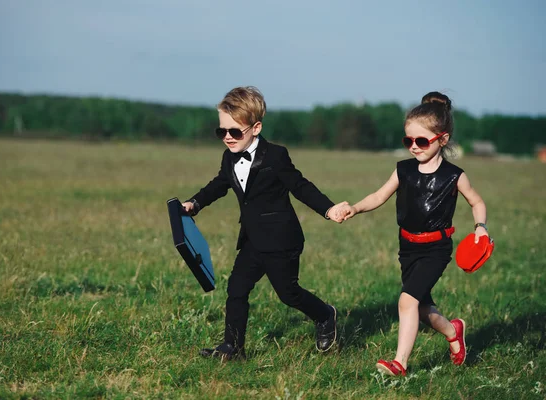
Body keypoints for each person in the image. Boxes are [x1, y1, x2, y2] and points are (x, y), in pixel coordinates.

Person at [182, 86, 346, 360]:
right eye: (221, 131)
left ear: (255, 128)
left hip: (282, 240)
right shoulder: (229, 156)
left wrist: (328, 209)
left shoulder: (276, 156)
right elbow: (220, 184)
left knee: (288, 293)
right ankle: (232, 348)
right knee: (236, 289)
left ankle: (325, 314)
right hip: (252, 241)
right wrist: (195, 203)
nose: (227, 137)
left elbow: (300, 186)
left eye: (234, 131)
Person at [336, 92, 489, 376]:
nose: (414, 147)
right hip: (407, 247)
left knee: (407, 300)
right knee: (421, 308)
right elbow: (379, 196)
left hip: (436, 250)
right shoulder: (403, 170)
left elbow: (477, 202)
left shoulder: (455, 176)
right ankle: (453, 330)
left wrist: (480, 227)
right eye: (409, 141)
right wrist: (355, 208)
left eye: (422, 141)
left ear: (442, 139)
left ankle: (400, 363)